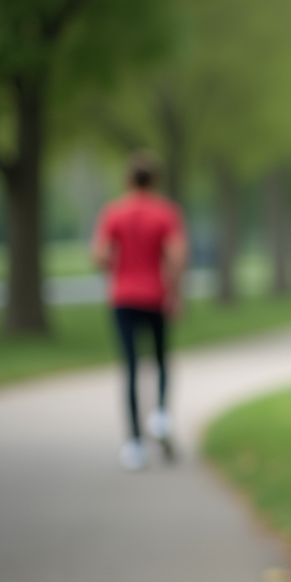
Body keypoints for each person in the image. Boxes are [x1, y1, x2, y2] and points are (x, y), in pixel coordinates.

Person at [91, 152, 188, 471]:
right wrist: (174, 293)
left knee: (130, 368)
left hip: (123, 298)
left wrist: (115, 267)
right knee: (160, 360)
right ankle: (160, 414)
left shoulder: (114, 212)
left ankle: (134, 444)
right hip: (155, 297)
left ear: (127, 180)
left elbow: (99, 256)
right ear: (156, 180)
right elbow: (176, 257)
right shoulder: (165, 212)